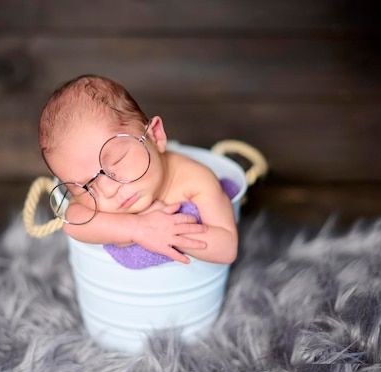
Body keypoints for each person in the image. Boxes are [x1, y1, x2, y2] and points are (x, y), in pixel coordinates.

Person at [38, 74, 238, 265]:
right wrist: (137, 228)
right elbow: (72, 222)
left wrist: (169, 231)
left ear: (155, 136)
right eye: (85, 187)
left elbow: (226, 246)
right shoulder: (92, 200)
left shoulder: (195, 180)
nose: (108, 190)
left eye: (117, 161)